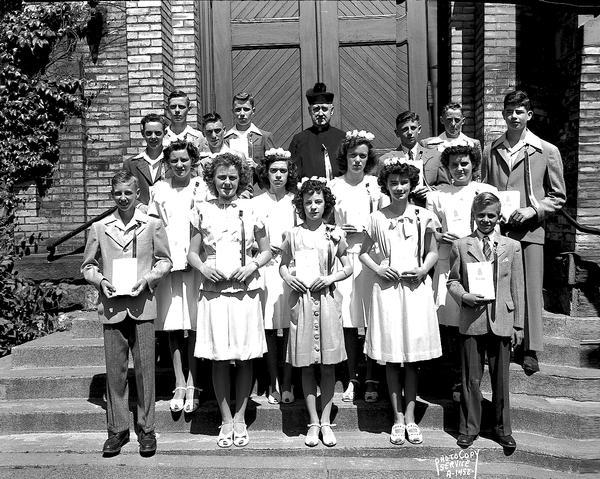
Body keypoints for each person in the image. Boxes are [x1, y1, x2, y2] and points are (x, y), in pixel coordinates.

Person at [81, 171, 172, 457]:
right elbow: (87, 265)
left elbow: (165, 260)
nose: (123, 198)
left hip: (141, 303)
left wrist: (148, 279)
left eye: (128, 193)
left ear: (137, 196)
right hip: (112, 307)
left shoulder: (151, 225)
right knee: (116, 372)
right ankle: (117, 430)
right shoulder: (99, 227)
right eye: (118, 193)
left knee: (145, 370)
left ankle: (147, 429)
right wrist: (100, 281)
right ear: (113, 195)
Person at [187, 153, 272, 448]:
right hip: (215, 293)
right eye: (221, 177)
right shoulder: (201, 210)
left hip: (244, 292)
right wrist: (203, 268)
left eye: (233, 178)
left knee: (245, 356)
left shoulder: (251, 209)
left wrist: (252, 266)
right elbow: (192, 253)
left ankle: (240, 417)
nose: (227, 183)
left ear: (241, 180)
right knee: (220, 357)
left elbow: (266, 250)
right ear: (212, 179)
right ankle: (225, 418)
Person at [482, 90, 566, 375]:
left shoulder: (545, 150)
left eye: (520, 112)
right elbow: (485, 187)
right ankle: (500, 341)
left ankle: (530, 349)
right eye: (510, 111)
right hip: (500, 230)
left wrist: (533, 210)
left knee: (530, 289)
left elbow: (557, 197)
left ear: (529, 115)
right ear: (503, 114)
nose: (514, 116)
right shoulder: (492, 149)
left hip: (530, 230)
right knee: (499, 286)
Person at [359, 158, 442, 446]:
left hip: (415, 289)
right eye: (393, 183)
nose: (399, 187)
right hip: (388, 291)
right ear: (386, 185)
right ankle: (396, 418)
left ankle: (410, 418)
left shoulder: (423, 215)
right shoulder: (377, 217)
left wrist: (422, 270)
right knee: (393, 358)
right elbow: (363, 252)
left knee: (412, 360)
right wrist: (379, 268)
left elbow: (433, 251)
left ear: (411, 184)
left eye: (403, 182)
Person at [447, 192, 525, 450]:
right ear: (473, 216)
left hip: (502, 319)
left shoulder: (511, 247)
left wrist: (518, 325)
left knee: (501, 379)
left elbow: (517, 287)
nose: (486, 220)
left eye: (491, 215)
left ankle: (503, 429)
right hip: (473, 320)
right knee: (471, 378)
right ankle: (469, 428)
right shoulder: (461, 245)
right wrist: (464, 296)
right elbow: (452, 281)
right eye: (481, 215)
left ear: (498, 217)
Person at [279, 177, 352, 447]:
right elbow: (283, 265)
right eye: (308, 202)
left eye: (318, 201)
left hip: (327, 301)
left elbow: (348, 266)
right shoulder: (293, 234)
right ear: (301, 205)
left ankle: (325, 420)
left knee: (328, 364)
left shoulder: (333, 233)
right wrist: (289, 278)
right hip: (304, 302)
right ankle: (312, 421)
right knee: (307, 364)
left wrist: (331, 278)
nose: (313, 206)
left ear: (326, 204)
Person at [426, 145, 497, 400]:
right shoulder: (437, 195)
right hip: (447, 263)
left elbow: (494, 226)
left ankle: (472, 379)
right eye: (454, 164)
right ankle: (453, 380)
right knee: (448, 321)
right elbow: (430, 230)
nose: (459, 169)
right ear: (446, 168)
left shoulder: (485, 191)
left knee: (474, 320)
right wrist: (439, 235)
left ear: (473, 165)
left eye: (464, 163)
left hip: (477, 264)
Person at [148, 140, 208, 414]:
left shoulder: (202, 188)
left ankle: (195, 383)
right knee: (173, 324)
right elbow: (154, 228)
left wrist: (192, 258)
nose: (180, 165)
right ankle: (179, 381)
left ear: (192, 161)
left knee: (194, 323)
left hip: (196, 264)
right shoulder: (159, 190)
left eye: (184, 160)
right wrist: (166, 259)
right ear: (167, 164)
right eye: (174, 161)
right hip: (169, 264)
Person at [328, 130, 387, 403]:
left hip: (369, 257)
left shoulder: (375, 186)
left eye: (362, 156)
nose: (357, 160)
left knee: (372, 316)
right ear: (345, 157)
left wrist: (366, 228)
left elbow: (384, 221)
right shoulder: (334, 186)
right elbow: (324, 223)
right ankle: (352, 377)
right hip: (344, 257)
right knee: (349, 322)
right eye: (353, 155)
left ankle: (372, 376)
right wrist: (339, 229)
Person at [251, 148, 298, 404]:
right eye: (273, 171)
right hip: (266, 269)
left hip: (290, 270)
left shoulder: (296, 201)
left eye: (283, 170)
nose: (278, 175)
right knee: (269, 326)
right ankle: (273, 381)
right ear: (266, 173)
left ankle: (289, 380)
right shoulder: (256, 203)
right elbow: (250, 238)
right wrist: (264, 249)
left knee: (290, 324)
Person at [379, 111, 449, 207]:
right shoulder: (386, 160)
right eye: (404, 129)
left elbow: (446, 186)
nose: (410, 133)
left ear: (419, 129)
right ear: (397, 133)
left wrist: (431, 190)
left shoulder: (436, 157)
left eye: (413, 128)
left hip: (428, 209)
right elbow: (381, 191)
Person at [289, 82, 346, 179]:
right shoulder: (299, 139)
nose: (320, 113)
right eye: (316, 109)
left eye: (324, 109)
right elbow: (293, 173)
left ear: (331, 111)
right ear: (309, 111)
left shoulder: (343, 138)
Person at [123, 113, 167, 204]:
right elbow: (124, 192)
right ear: (143, 134)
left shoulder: (173, 162)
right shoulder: (131, 164)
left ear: (164, 133)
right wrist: (139, 206)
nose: (153, 137)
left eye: (158, 133)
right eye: (149, 133)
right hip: (141, 215)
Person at [224, 92, 276, 168]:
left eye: (246, 109)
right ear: (233, 112)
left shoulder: (264, 137)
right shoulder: (226, 138)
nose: (242, 113)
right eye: (238, 110)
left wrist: (257, 167)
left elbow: (274, 166)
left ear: (253, 111)